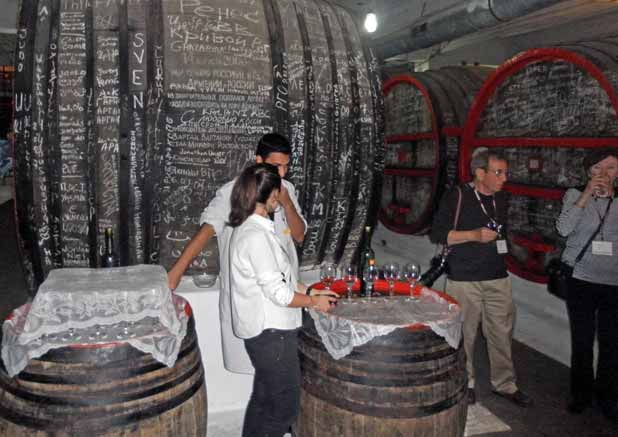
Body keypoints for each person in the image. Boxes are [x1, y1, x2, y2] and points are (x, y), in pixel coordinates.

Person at [167, 133, 307, 373]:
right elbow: (207, 230)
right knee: (262, 368)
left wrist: (286, 202)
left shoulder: (287, 190)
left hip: (283, 295)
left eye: (286, 167)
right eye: (276, 166)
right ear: (258, 159)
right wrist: (176, 273)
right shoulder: (234, 190)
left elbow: (299, 234)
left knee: (277, 371)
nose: (282, 174)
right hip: (250, 298)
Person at [227, 163, 336, 437]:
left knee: (264, 400)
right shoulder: (255, 236)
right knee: (284, 409)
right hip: (272, 334)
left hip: (266, 333)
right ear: (272, 195)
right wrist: (314, 304)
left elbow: (281, 278)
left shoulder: (255, 229)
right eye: (278, 192)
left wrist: (311, 292)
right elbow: (280, 294)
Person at [430, 147, 532, 407]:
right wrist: (473, 235)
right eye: (498, 172)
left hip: (497, 276)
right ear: (480, 173)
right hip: (464, 277)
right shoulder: (458, 196)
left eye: (505, 172)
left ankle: (505, 384)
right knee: (465, 334)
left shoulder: (502, 199)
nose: (504, 178)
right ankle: (466, 382)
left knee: (502, 332)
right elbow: (438, 234)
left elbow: (502, 234)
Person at [555, 148, 618, 422]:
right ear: (588, 172)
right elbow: (564, 229)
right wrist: (586, 194)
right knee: (582, 341)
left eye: (611, 168)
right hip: (580, 278)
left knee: (611, 343)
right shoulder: (574, 194)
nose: (604, 174)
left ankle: (607, 397)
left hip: (614, 282)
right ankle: (580, 395)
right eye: (597, 169)